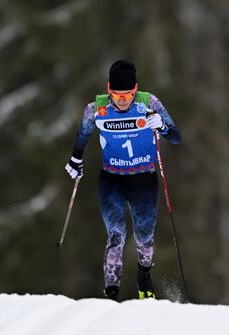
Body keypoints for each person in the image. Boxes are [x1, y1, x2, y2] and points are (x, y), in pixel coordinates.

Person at [65, 60, 181, 301]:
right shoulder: (97, 109)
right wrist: (76, 158)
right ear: (109, 90)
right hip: (112, 181)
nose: (122, 101)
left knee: (144, 238)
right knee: (116, 233)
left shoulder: (148, 103)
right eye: (116, 95)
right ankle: (111, 292)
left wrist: (162, 127)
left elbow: (177, 137)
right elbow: (83, 133)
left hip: (144, 180)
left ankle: (143, 277)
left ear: (135, 90)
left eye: (127, 95)